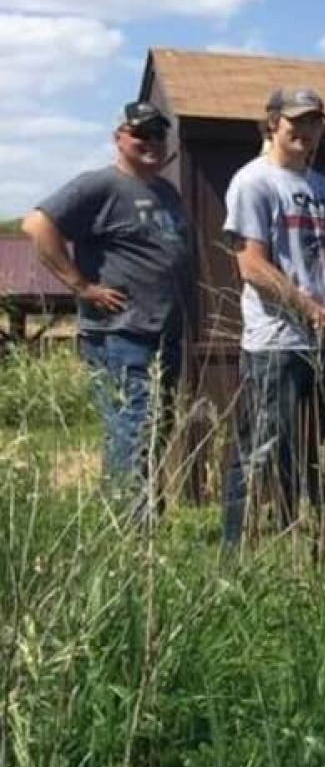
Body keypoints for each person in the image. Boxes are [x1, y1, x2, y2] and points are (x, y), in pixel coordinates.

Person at [24, 101, 197, 527]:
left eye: (159, 134)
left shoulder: (166, 192)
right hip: (122, 333)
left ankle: (142, 518)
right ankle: (129, 528)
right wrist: (82, 287)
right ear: (119, 137)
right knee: (134, 427)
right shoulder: (99, 185)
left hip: (165, 331)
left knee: (157, 428)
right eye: (141, 134)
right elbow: (37, 225)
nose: (151, 142)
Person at [220, 87, 325, 550]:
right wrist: (307, 306)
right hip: (275, 341)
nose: (304, 131)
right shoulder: (253, 182)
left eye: (314, 121)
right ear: (273, 124)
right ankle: (239, 550)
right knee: (263, 448)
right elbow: (251, 265)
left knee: (323, 450)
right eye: (295, 121)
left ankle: (316, 541)